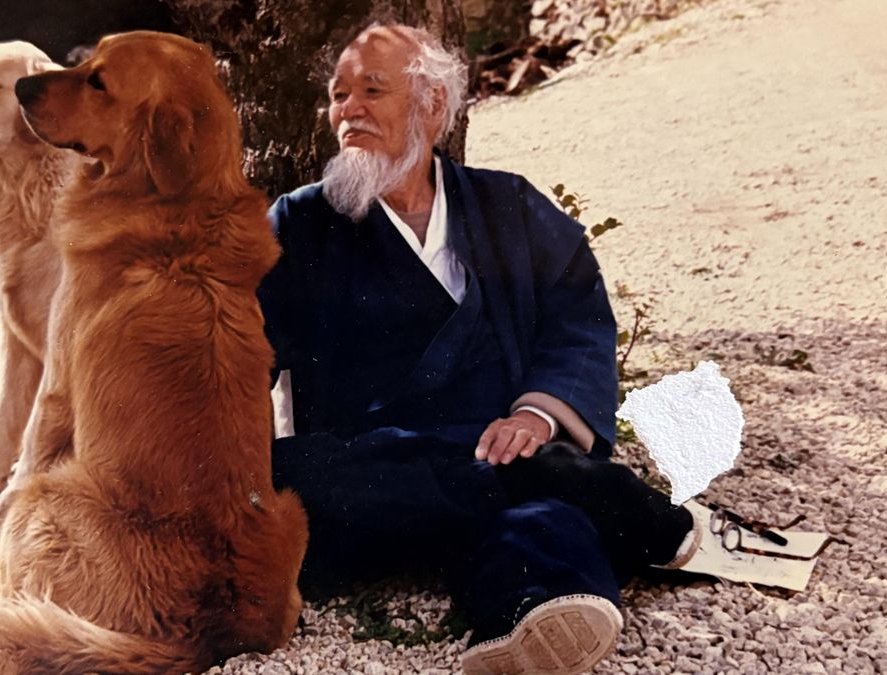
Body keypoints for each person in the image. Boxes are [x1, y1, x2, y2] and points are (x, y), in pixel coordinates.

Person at [259, 23, 713, 675]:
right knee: (293, 471)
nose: (347, 110)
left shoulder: (510, 206)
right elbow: (244, 354)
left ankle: (532, 615)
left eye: (371, 89)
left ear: (433, 105)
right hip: (362, 480)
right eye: (337, 95)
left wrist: (536, 417)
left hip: (496, 442)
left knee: (543, 523)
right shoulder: (300, 223)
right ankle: (615, 506)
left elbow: (576, 317)